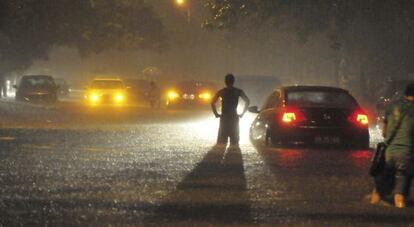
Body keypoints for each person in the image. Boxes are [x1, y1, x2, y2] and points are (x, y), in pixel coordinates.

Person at [370, 82, 414, 208]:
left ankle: (373, 205)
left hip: (389, 151)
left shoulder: (392, 106)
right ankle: (399, 206)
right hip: (407, 153)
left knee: (382, 182)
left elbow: (384, 133)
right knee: (401, 180)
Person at [211, 74, 250, 146]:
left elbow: (212, 103)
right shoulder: (238, 91)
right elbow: (247, 101)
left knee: (221, 143)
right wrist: (242, 114)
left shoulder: (221, 92)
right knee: (234, 143)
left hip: (224, 118)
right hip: (234, 117)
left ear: (225, 81)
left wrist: (216, 114)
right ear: (233, 81)